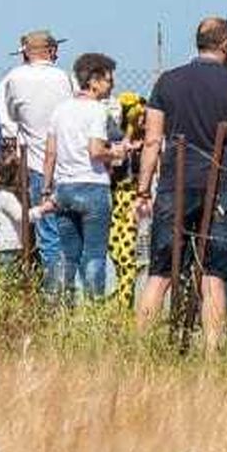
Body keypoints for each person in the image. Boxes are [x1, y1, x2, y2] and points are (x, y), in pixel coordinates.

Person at [135, 18, 227, 352]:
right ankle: (211, 356)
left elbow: (152, 141)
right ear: (225, 45)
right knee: (213, 276)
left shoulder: (167, 82)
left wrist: (143, 188)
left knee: (160, 273)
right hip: (220, 184)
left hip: (174, 183)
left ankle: (138, 350)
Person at [41, 53, 125, 302]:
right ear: (94, 81)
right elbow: (96, 150)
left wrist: (47, 189)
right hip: (93, 186)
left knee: (68, 253)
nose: (112, 85)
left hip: (64, 187)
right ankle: (93, 304)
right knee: (94, 254)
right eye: (109, 80)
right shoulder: (97, 110)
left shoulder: (60, 110)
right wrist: (116, 152)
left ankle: (62, 303)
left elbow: (50, 153)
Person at [0, 30, 75, 275]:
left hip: (35, 163)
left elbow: (7, 116)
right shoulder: (65, 78)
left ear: (26, 53)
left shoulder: (14, 78)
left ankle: (51, 289)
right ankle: (67, 289)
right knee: (68, 234)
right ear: (52, 51)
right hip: (67, 165)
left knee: (47, 236)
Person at [107, 92, 146, 307]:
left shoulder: (149, 141)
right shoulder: (116, 139)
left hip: (133, 198)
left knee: (128, 251)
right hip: (115, 196)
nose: (142, 120)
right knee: (114, 248)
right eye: (139, 116)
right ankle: (119, 295)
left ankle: (125, 302)